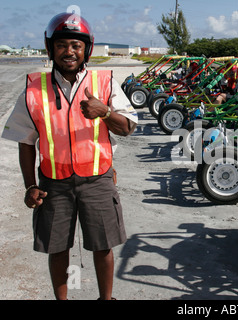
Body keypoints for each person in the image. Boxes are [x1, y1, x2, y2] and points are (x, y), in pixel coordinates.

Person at [1, 12, 138, 300]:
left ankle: (106, 298)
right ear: (50, 48)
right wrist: (30, 185)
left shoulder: (105, 81)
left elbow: (127, 128)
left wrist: (105, 112)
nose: (69, 52)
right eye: (62, 45)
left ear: (87, 49)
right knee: (57, 247)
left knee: (103, 245)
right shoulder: (33, 88)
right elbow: (25, 141)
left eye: (76, 45)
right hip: (53, 184)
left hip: (98, 180)